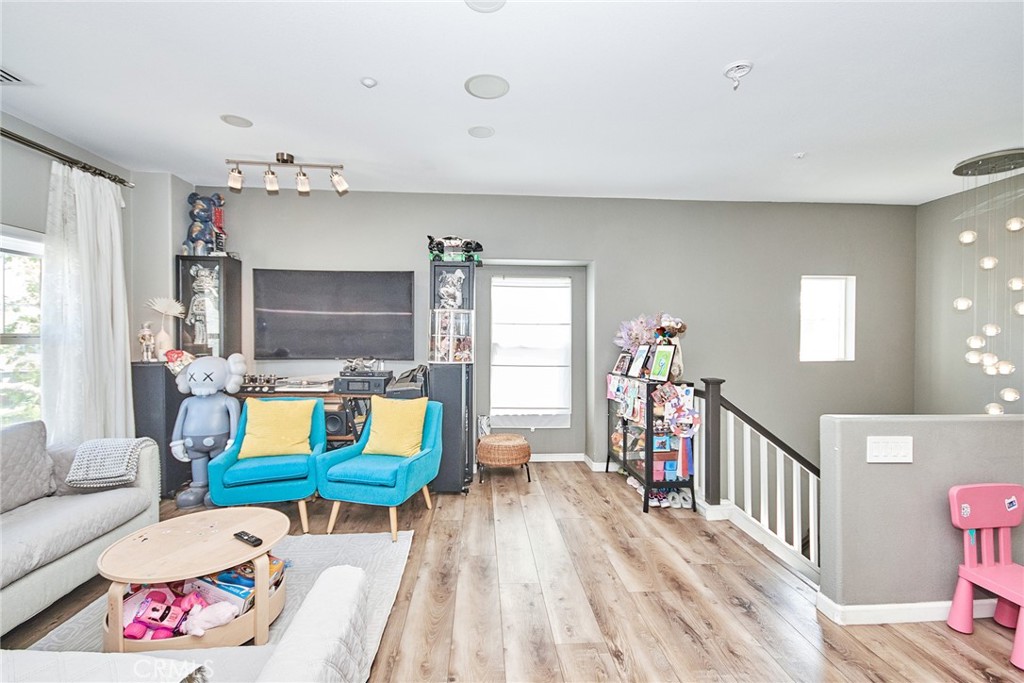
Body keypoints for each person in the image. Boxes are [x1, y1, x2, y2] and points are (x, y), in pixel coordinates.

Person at [170, 353, 246, 508]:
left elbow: (235, 422)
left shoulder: (229, 401)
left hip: (220, 442)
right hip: (192, 444)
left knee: (219, 463)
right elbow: (179, 421)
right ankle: (198, 487)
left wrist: (233, 441)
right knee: (198, 462)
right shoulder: (188, 402)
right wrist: (176, 442)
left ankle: (216, 488)